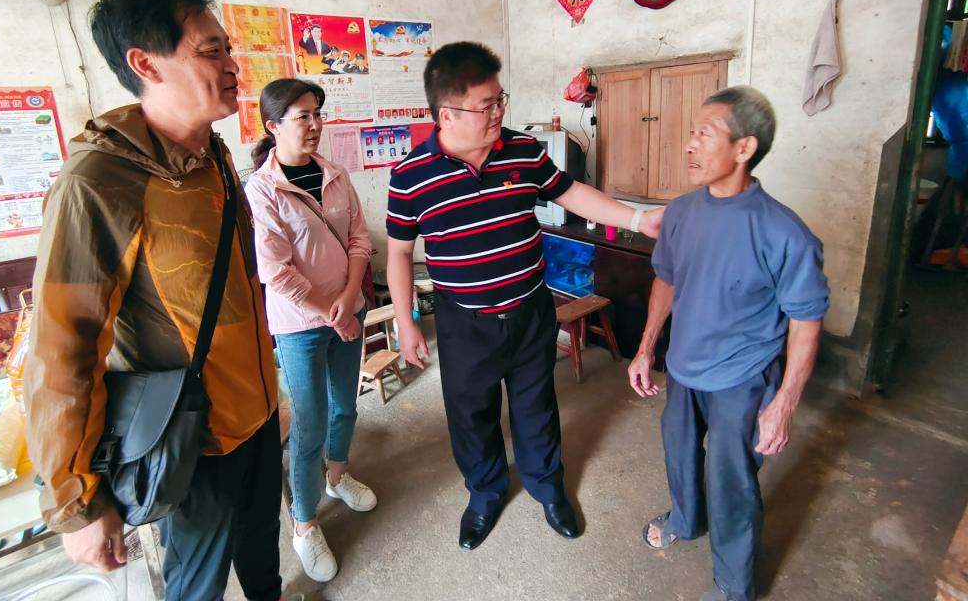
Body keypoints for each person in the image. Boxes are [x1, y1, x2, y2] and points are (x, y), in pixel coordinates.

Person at [23, 0, 282, 601]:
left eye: (227, 50)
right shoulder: (97, 183)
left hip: (260, 412)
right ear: (145, 63)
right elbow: (63, 349)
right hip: (193, 439)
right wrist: (76, 503)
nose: (233, 66)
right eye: (212, 51)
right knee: (197, 583)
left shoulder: (214, 156)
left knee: (261, 550)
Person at [385, 41, 662, 551]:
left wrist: (639, 219)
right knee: (472, 414)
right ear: (446, 113)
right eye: (486, 105)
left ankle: (547, 487)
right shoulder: (410, 176)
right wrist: (405, 320)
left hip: (531, 308)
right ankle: (485, 493)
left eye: (500, 100)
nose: (498, 112)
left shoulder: (523, 150)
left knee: (536, 405)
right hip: (465, 321)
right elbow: (400, 253)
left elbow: (570, 192)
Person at [627, 86, 829, 601]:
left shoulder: (784, 233)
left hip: (741, 379)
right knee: (679, 453)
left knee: (732, 483)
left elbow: (806, 322)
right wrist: (646, 347)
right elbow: (667, 279)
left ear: (744, 148)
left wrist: (784, 403)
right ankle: (686, 520)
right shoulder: (681, 212)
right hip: (683, 367)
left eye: (705, 134)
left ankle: (735, 587)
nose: (689, 145)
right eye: (691, 133)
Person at [245, 78, 376, 583]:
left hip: (347, 310)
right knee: (309, 422)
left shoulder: (336, 175)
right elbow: (276, 272)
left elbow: (359, 240)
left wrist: (349, 299)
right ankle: (304, 523)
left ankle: (337, 476)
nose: (315, 124)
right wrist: (331, 311)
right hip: (301, 325)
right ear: (273, 126)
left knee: (345, 404)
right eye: (303, 116)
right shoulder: (263, 189)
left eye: (318, 113)